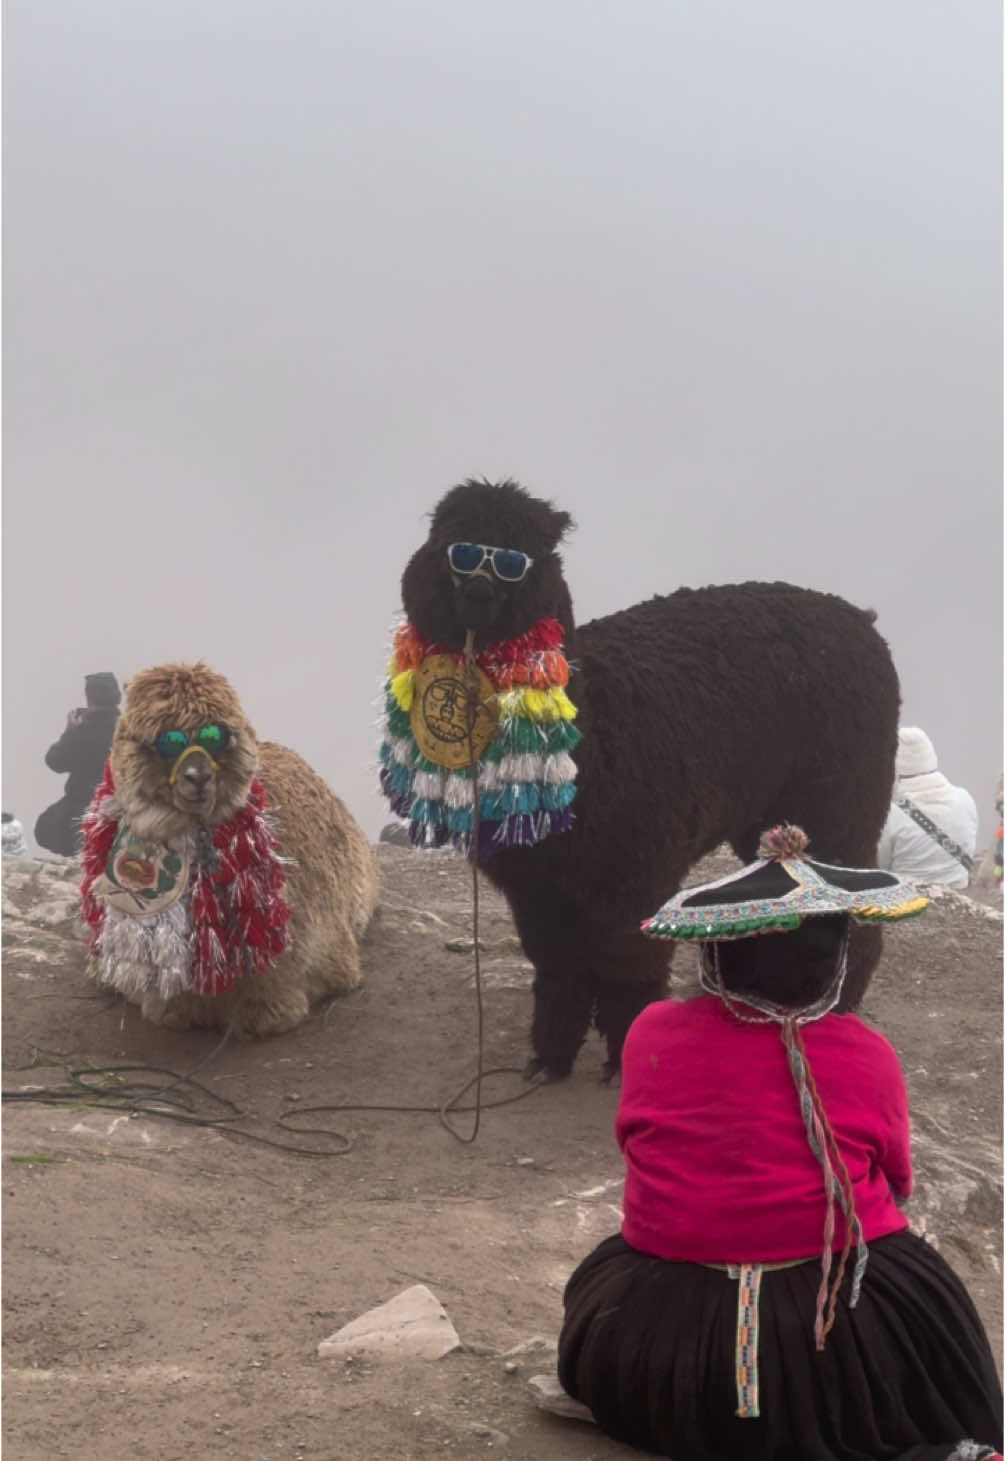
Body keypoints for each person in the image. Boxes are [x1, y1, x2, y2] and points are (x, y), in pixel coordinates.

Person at [555, 825, 1003, 1461]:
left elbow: (635, 1143)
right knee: (932, 1338)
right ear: (837, 960)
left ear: (716, 952)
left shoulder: (652, 1033)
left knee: (606, 1278)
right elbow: (895, 1179)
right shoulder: (866, 1053)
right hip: (828, 1354)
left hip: (654, 1352)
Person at [878, 726, 978, 890]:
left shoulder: (891, 814)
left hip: (910, 902)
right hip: (960, 896)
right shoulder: (965, 798)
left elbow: (881, 866)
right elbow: (969, 848)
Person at [35, 672, 121, 857]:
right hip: (119, 809)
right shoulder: (125, 729)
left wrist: (70, 732)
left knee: (45, 827)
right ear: (117, 697)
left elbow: (55, 762)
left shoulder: (82, 731)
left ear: (89, 697)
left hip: (81, 809)